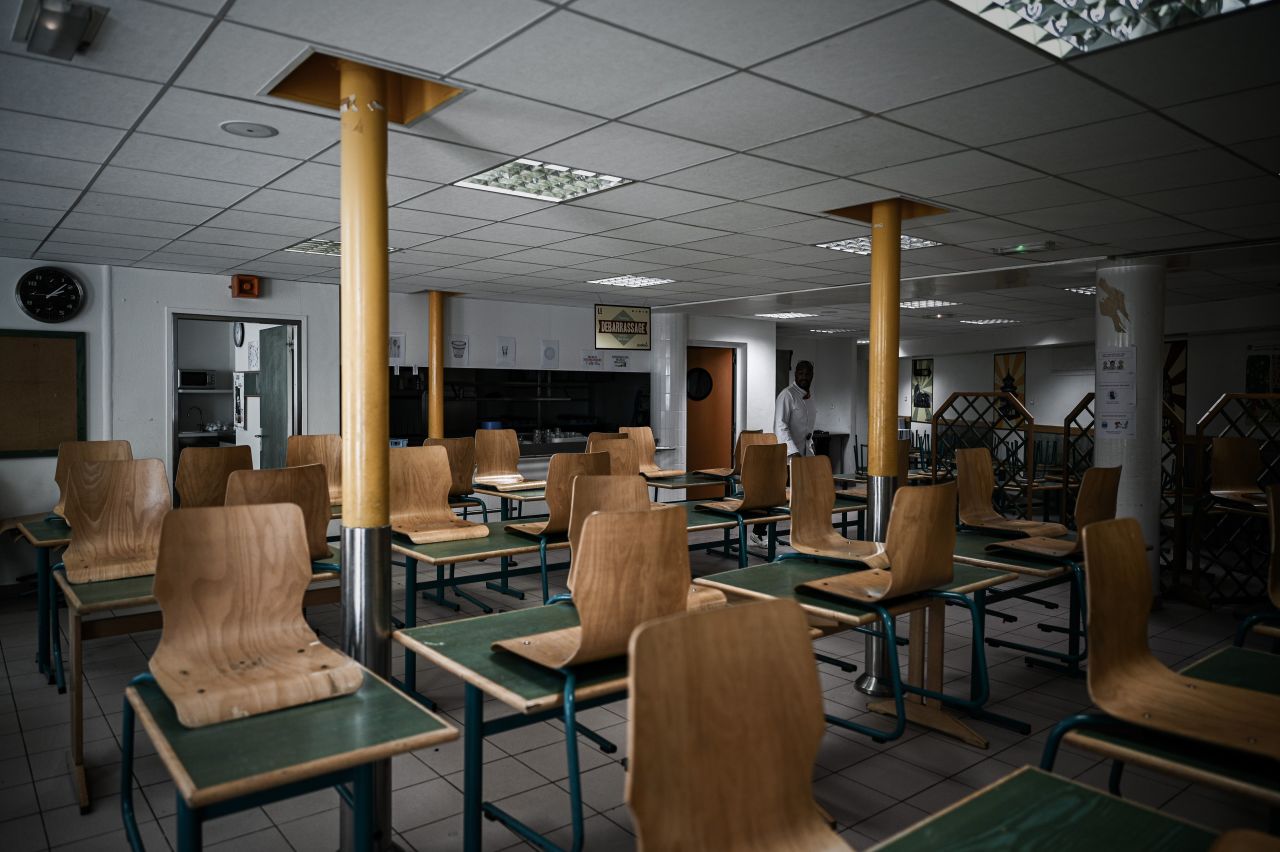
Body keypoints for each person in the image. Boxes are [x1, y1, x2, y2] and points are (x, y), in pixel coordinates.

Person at [750, 361, 816, 552]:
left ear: (812, 375)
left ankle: (803, 532)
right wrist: (792, 451)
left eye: (807, 373)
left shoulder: (809, 397)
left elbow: (807, 427)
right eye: (800, 373)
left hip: (804, 454)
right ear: (795, 374)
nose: (804, 376)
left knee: (803, 495)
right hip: (787, 455)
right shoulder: (787, 395)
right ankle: (758, 532)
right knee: (776, 496)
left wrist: (808, 447)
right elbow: (780, 426)